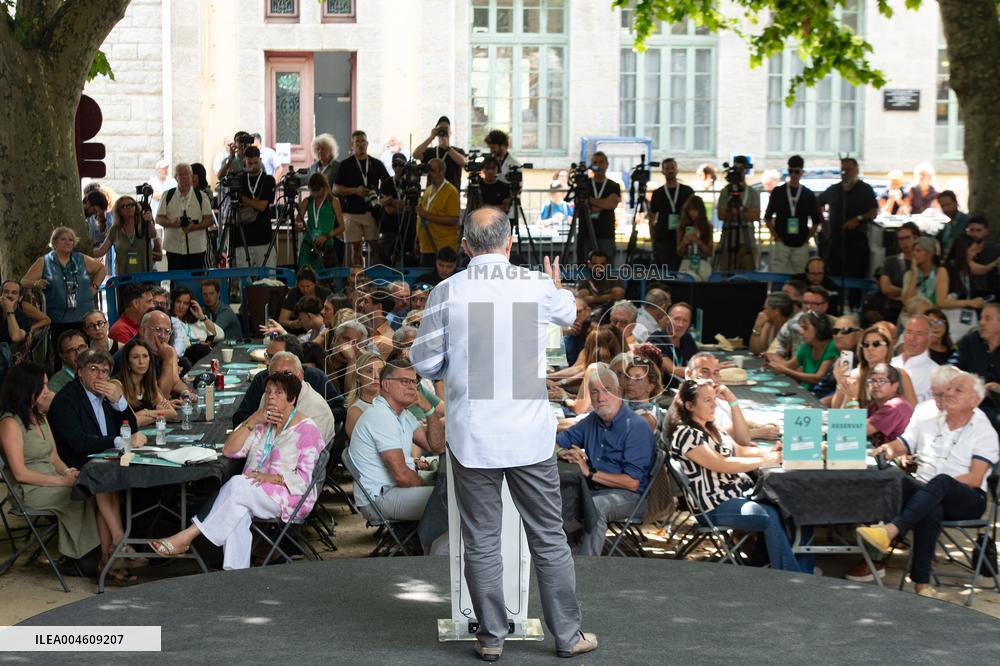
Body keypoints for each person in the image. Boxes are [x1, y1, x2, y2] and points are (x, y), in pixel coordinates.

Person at [410, 207, 597, 659]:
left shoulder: (446, 291)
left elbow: (424, 364)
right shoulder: (535, 285)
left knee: (481, 540)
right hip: (529, 434)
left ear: (466, 246)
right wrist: (554, 285)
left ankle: (492, 638)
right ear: (510, 243)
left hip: (474, 435)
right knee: (549, 537)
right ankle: (568, 636)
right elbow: (572, 312)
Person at [149, 372, 325, 569]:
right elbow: (229, 450)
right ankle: (235, 575)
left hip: (289, 496)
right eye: (268, 392)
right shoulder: (262, 422)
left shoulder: (307, 430)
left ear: (292, 399)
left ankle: (188, 535)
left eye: (278, 393)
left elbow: (303, 481)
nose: (271, 397)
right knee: (237, 512)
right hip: (252, 489)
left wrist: (270, 477)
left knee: (237, 485)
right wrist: (254, 419)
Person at [859, 371, 998, 597]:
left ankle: (892, 530)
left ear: (975, 400)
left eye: (958, 390)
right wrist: (888, 449)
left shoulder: (984, 431)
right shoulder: (930, 422)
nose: (949, 393)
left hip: (967, 498)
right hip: (928, 495)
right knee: (914, 493)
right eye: (949, 388)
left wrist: (934, 489)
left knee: (939, 483)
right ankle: (922, 585)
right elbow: (902, 444)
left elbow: (974, 478)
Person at [669, 379, 805, 572]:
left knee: (783, 504)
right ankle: (789, 573)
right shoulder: (686, 433)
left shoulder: (711, 426)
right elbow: (722, 464)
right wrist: (767, 460)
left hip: (733, 494)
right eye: (707, 400)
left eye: (714, 399)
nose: (714, 405)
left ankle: (763, 563)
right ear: (690, 405)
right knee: (769, 515)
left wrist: (774, 453)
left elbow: (740, 450)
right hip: (712, 505)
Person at [0, 364, 104, 577]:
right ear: (26, 388)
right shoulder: (10, 423)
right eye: (43, 385)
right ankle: (84, 559)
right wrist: (63, 482)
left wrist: (68, 473)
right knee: (76, 495)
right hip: (29, 489)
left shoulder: (39, 416)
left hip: (51, 479)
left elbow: (54, 458)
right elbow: (20, 474)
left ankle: (90, 556)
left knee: (89, 489)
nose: (47, 390)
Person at [556, 363, 656, 556]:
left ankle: (587, 565)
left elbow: (632, 482)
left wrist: (590, 473)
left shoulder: (636, 427)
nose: (600, 398)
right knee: (558, 494)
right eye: (594, 392)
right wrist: (562, 452)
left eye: (606, 390)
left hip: (630, 497)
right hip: (594, 489)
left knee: (596, 506)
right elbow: (557, 441)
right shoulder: (592, 420)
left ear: (619, 392)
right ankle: (562, 556)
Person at [349, 360, 446, 521]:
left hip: (394, 491)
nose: (411, 387)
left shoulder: (402, 414)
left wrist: (428, 409)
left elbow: (436, 446)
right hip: (379, 498)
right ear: (386, 385)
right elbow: (401, 475)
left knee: (451, 493)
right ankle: (433, 545)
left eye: (414, 381)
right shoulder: (381, 416)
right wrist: (429, 488)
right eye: (404, 381)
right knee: (450, 499)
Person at [48, 349, 142, 469]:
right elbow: (79, 442)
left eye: (104, 371)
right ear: (80, 372)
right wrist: (119, 441)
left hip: (111, 461)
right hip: (82, 467)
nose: (100, 376)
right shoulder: (65, 400)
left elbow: (132, 429)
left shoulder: (107, 396)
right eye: (93, 369)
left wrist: (118, 401)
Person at [21, 227, 105, 355]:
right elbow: (23, 281)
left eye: (71, 240)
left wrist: (95, 287)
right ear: (54, 242)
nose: (68, 242)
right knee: (65, 354)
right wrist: (35, 283)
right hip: (59, 319)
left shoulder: (80, 258)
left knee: (86, 354)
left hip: (84, 317)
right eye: (63, 239)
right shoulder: (45, 261)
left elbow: (101, 269)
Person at [232, 342, 341, 442]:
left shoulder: (317, 409)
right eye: (275, 374)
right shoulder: (268, 396)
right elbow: (253, 439)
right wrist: (253, 419)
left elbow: (299, 455)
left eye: (287, 374)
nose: (281, 380)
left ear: (301, 375)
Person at [818, 157, 878, 289]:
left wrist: (859, 218)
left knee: (855, 279)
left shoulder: (865, 189)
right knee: (833, 280)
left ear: (856, 170)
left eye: (848, 170)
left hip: (856, 243)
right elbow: (817, 203)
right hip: (835, 242)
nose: (845, 173)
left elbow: (873, 211)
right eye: (842, 170)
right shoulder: (834, 189)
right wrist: (824, 223)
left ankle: (853, 306)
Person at [334, 130, 391, 266]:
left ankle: (377, 280)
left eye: (363, 141)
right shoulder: (345, 164)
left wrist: (381, 201)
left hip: (371, 212)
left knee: (375, 247)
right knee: (356, 248)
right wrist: (355, 191)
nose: (360, 144)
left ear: (367, 144)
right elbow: (335, 189)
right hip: (351, 213)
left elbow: (389, 184)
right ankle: (359, 281)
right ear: (352, 145)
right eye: (357, 142)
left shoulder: (376, 163)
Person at [832, 325, 917, 409]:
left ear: (887, 347)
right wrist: (841, 382)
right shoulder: (855, 375)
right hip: (860, 421)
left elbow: (914, 410)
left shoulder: (900, 374)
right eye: (866, 344)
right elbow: (836, 411)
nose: (870, 348)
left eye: (876, 344)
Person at [764, 155, 824, 274]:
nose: (793, 174)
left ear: (802, 172)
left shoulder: (808, 194)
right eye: (790, 171)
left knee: (801, 275)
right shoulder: (778, 192)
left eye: (796, 171)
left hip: (801, 243)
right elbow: (767, 217)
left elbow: (816, 221)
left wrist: (806, 239)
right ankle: (776, 292)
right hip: (782, 241)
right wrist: (776, 236)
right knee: (777, 273)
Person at [113, 310, 187, 399]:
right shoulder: (129, 354)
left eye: (167, 331)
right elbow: (159, 399)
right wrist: (168, 360)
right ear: (143, 331)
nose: (163, 336)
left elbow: (174, 381)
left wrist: (186, 392)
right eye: (158, 329)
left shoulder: (155, 349)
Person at [155, 163, 214, 270]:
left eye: (187, 175)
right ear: (175, 178)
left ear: (192, 177)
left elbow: (209, 220)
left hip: (196, 247)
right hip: (173, 247)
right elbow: (158, 218)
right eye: (180, 175)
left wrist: (194, 226)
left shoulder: (201, 196)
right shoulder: (167, 195)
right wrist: (172, 222)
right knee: (176, 281)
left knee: (196, 280)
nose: (184, 178)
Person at [227, 146, 277, 268]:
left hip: (262, 237)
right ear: (245, 161)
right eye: (250, 163)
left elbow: (261, 206)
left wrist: (243, 199)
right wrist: (253, 201)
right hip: (241, 238)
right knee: (244, 279)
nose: (253, 166)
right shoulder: (239, 179)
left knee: (267, 278)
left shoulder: (268, 179)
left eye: (256, 162)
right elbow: (235, 203)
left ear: (260, 159)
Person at [954, 302, 1000, 428]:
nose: (981, 322)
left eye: (988, 319)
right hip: (971, 404)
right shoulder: (971, 342)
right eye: (981, 318)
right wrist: (971, 383)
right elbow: (952, 366)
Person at [767, 311, 837, 391]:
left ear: (819, 328)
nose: (801, 332)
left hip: (821, 396)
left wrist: (786, 371)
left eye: (805, 328)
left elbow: (818, 378)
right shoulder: (806, 347)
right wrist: (772, 362)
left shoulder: (832, 346)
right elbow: (788, 366)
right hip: (807, 392)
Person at [93, 194, 162, 275]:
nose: (129, 208)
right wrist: (84, 250)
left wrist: (149, 221)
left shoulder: (145, 225)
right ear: (119, 211)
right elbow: (101, 251)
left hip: (145, 276)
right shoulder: (115, 229)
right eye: (124, 206)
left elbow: (154, 235)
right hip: (124, 277)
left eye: (131, 205)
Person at [115, 338, 177, 427]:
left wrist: (145, 412)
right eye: (135, 357)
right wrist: (159, 414)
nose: (141, 362)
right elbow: (134, 421)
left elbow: (172, 414)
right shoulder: (118, 384)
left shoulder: (149, 382)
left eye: (145, 356)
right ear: (127, 361)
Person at [647, 157, 694, 271]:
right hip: (663, 239)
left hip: (683, 239)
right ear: (663, 171)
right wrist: (653, 239)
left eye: (673, 167)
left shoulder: (688, 191)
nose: (670, 170)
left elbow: (694, 215)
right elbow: (652, 218)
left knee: (683, 272)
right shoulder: (657, 193)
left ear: (677, 170)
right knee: (664, 273)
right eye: (667, 168)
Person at [715, 156, 760, 271]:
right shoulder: (726, 191)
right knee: (725, 270)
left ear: (746, 170)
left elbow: (755, 215)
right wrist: (745, 212)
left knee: (748, 272)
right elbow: (721, 214)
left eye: (741, 169)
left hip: (747, 240)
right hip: (727, 239)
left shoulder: (752, 192)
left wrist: (737, 212)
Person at [415, 158, 461, 267]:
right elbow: (421, 215)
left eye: (432, 170)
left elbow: (453, 219)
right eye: (428, 171)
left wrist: (427, 215)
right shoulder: (428, 189)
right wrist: (417, 240)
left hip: (442, 247)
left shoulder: (451, 192)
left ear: (442, 171)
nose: (429, 174)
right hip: (426, 246)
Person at [856, 363, 913, 447]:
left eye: (882, 381)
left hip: (894, 458)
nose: (875, 385)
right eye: (872, 381)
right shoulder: (874, 405)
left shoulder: (895, 406)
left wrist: (852, 399)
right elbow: (847, 427)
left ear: (895, 386)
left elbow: (856, 431)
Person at [297, 172, 345, 271]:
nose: (314, 194)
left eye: (317, 190)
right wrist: (299, 226)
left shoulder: (334, 201)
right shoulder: (307, 201)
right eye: (312, 191)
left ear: (325, 187)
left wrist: (326, 236)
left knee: (324, 278)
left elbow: (342, 227)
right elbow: (297, 220)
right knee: (303, 273)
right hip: (308, 244)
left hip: (326, 246)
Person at [874, 221, 920, 323]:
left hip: (918, 310)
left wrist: (898, 293)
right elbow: (885, 288)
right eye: (901, 239)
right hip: (893, 309)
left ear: (916, 238)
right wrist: (908, 292)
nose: (904, 242)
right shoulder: (890, 261)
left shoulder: (922, 261)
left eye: (907, 238)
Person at [578, 151, 621, 261]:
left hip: (606, 234)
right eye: (595, 162)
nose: (598, 165)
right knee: (584, 268)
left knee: (606, 269)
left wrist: (590, 201)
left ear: (607, 164)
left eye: (601, 162)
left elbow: (611, 204)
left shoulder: (613, 185)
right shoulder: (584, 184)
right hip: (585, 234)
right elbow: (580, 204)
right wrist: (603, 204)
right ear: (591, 166)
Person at [891, 315, 939, 403]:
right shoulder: (890, 363)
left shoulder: (936, 373)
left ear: (929, 340)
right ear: (903, 335)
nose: (912, 338)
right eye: (909, 332)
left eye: (919, 334)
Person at [412, 115, 467, 191]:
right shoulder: (431, 152)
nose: (443, 131)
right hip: (433, 193)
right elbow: (415, 154)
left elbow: (464, 163)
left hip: (451, 194)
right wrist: (431, 137)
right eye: (440, 129)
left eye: (445, 129)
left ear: (450, 132)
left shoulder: (458, 151)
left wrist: (447, 148)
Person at [648, 302, 699, 379]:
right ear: (667, 319)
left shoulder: (687, 338)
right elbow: (673, 369)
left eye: (685, 320)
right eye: (676, 319)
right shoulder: (656, 340)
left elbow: (698, 362)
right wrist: (702, 372)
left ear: (689, 323)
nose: (680, 324)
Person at [169, 285, 220, 361]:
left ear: (190, 305)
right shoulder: (170, 320)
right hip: (184, 357)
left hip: (202, 356)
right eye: (178, 302)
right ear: (172, 302)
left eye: (185, 303)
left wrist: (202, 317)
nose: (181, 306)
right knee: (202, 349)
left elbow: (220, 335)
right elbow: (182, 346)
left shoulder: (197, 320)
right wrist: (197, 343)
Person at [0, 279, 49, 354]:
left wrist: (9, 310)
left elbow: (15, 337)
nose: (9, 295)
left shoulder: (24, 318)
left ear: (20, 298)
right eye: (6, 292)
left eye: (14, 293)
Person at [343, 352, 384, 438]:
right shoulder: (355, 411)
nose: (376, 376)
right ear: (358, 377)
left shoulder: (391, 404)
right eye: (369, 371)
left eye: (380, 372)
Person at [575, 250, 625, 315]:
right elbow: (583, 299)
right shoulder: (583, 281)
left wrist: (593, 299)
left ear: (606, 265)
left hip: (610, 315)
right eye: (594, 264)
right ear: (589, 264)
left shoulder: (614, 280)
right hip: (590, 316)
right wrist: (610, 296)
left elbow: (619, 295)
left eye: (602, 264)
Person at [676, 195, 714, 280]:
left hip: (702, 263)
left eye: (695, 210)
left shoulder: (707, 227)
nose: (692, 213)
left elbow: (709, 252)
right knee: (687, 278)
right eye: (690, 210)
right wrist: (684, 242)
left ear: (701, 211)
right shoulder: (681, 227)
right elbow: (679, 252)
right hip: (686, 262)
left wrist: (698, 241)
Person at [964, 216, 1000, 299]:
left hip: (992, 294)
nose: (974, 234)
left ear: (986, 231)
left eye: (978, 230)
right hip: (968, 295)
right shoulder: (962, 251)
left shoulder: (995, 250)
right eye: (971, 230)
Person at [749, 291, 795, 355]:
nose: (763, 312)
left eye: (766, 308)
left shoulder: (790, 328)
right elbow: (757, 351)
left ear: (776, 311)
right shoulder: (770, 324)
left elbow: (772, 354)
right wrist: (757, 327)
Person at [936, 190, 970, 256]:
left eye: (948, 204)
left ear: (955, 203)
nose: (946, 209)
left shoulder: (966, 220)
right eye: (943, 206)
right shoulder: (947, 225)